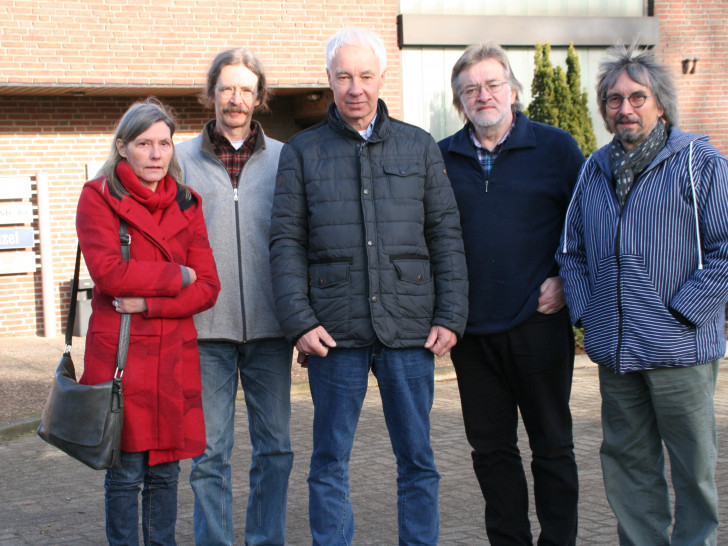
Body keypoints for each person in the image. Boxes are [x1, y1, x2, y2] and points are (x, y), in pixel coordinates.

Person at [269, 28, 468, 546]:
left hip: (408, 329)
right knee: (329, 461)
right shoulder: (303, 151)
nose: (354, 88)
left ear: (382, 77)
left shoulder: (418, 145)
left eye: (364, 75)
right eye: (343, 77)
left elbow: (445, 233)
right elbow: (286, 242)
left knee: (418, 460)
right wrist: (299, 322)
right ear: (330, 82)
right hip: (334, 333)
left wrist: (451, 315)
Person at [557, 43, 728, 545]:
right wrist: (590, 314)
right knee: (628, 464)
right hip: (616, 353)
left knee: (693, 466)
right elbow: (570, 251)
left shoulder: (701, 162)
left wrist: (683, 312)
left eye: (636, 97)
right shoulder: (593, 169)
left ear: (659, 103)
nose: (624, 108)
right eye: (613, 99)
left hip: (680, 349)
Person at [437, 43, 584, 545]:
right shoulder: (441, 159)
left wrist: (569, 279)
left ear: (514, 90)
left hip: (539, 324)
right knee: (491, 453)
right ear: (459, 103)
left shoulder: (558, 149)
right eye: (470, 89)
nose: (483, 96)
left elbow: (589, 228)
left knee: (553, 447)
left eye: (493, 84)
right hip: (473, 334)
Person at [76, 98, 221, 545]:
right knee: (125, 476)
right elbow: (110, 275)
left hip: (172, 355)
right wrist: (177, 275)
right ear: (122, 147)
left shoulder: (186, 201)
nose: (157, 154)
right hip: (122, 356)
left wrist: (150, 303)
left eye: (164, 143)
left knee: (165, 476)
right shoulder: (97, 197)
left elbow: (210, 287)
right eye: (144, 144)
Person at [176, 48, 294, 546]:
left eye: (246, 89)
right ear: (211, 93)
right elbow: (109, 188)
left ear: (260, 97)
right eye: (227, 87)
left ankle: (265, 540)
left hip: (272, 328)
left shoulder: (288, 158)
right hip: (204, 331)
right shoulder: (178, 158)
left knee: (276, 451)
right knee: (209, 455)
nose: (236, 98)